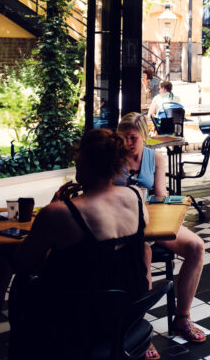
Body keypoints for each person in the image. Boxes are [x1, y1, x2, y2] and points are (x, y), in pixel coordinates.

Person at [12, 129, 150, 358]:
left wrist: (54, 205)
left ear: (83, 161)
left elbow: (21, 262)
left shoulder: (59, 212)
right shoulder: (136, 197)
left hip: (77, 318)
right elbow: (112, 254)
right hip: (126, 312)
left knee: (23, 286)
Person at [117, 113, 207, 353]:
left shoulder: (155, 157)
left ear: (143, 137)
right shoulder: (112, 158)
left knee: (196, 247)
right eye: (123, 137)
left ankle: (182, 318)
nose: (128, 142)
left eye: (133, 137)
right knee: (142, 254)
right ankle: (139, 330)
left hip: (150, 221)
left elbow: (159, 194)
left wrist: (159, 202)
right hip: (121, 224)